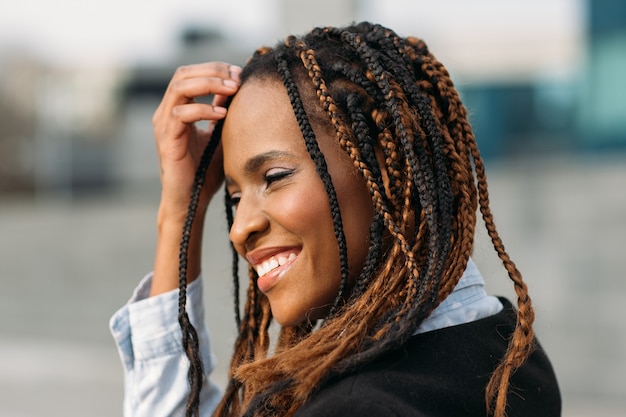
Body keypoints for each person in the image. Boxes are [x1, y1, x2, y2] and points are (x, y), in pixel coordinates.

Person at [110, 22, 561, 417]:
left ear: (385, 166)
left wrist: (175, 214)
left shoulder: (362, 406)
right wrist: (182, 207)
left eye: (274, 176)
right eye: (232, 197)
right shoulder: (505, 347)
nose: (239, 227)